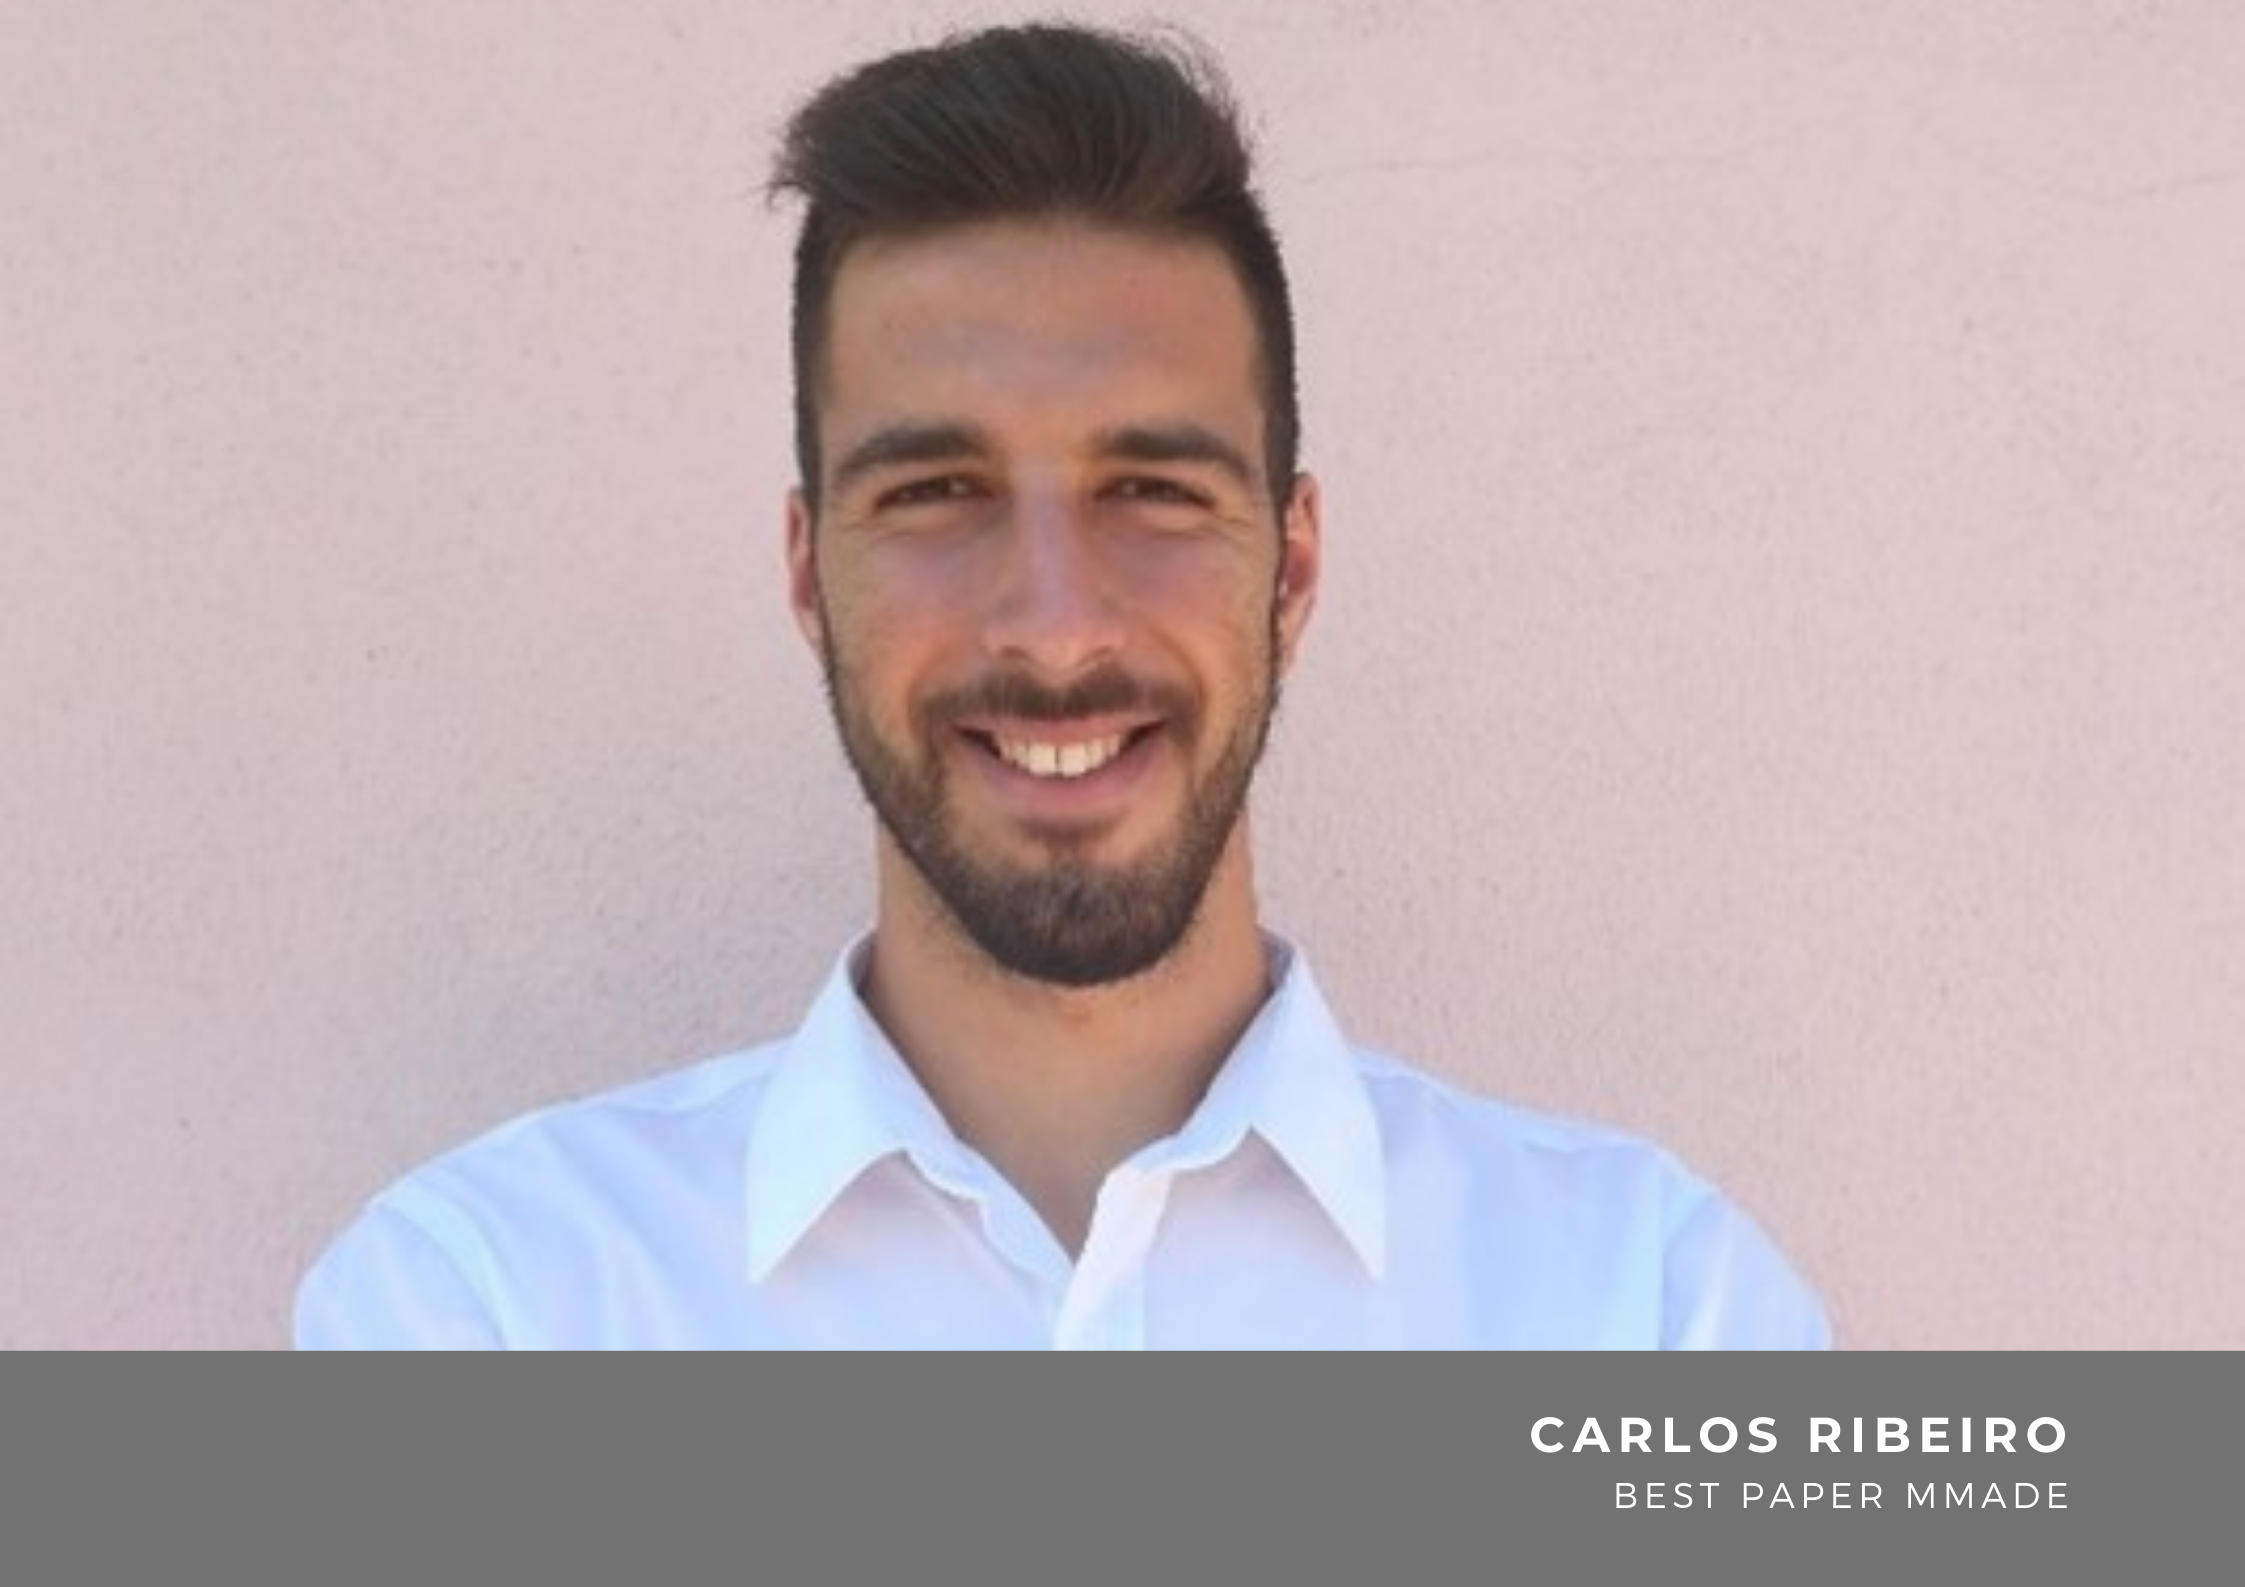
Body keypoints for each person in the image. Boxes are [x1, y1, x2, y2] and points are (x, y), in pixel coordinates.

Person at [294, 22, 1829, 1349]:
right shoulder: (486, 1305)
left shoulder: (1652, 1309)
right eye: (936, 492)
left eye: (1153, 490)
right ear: (808, 573)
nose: (1054, 626)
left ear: (1292, 568)